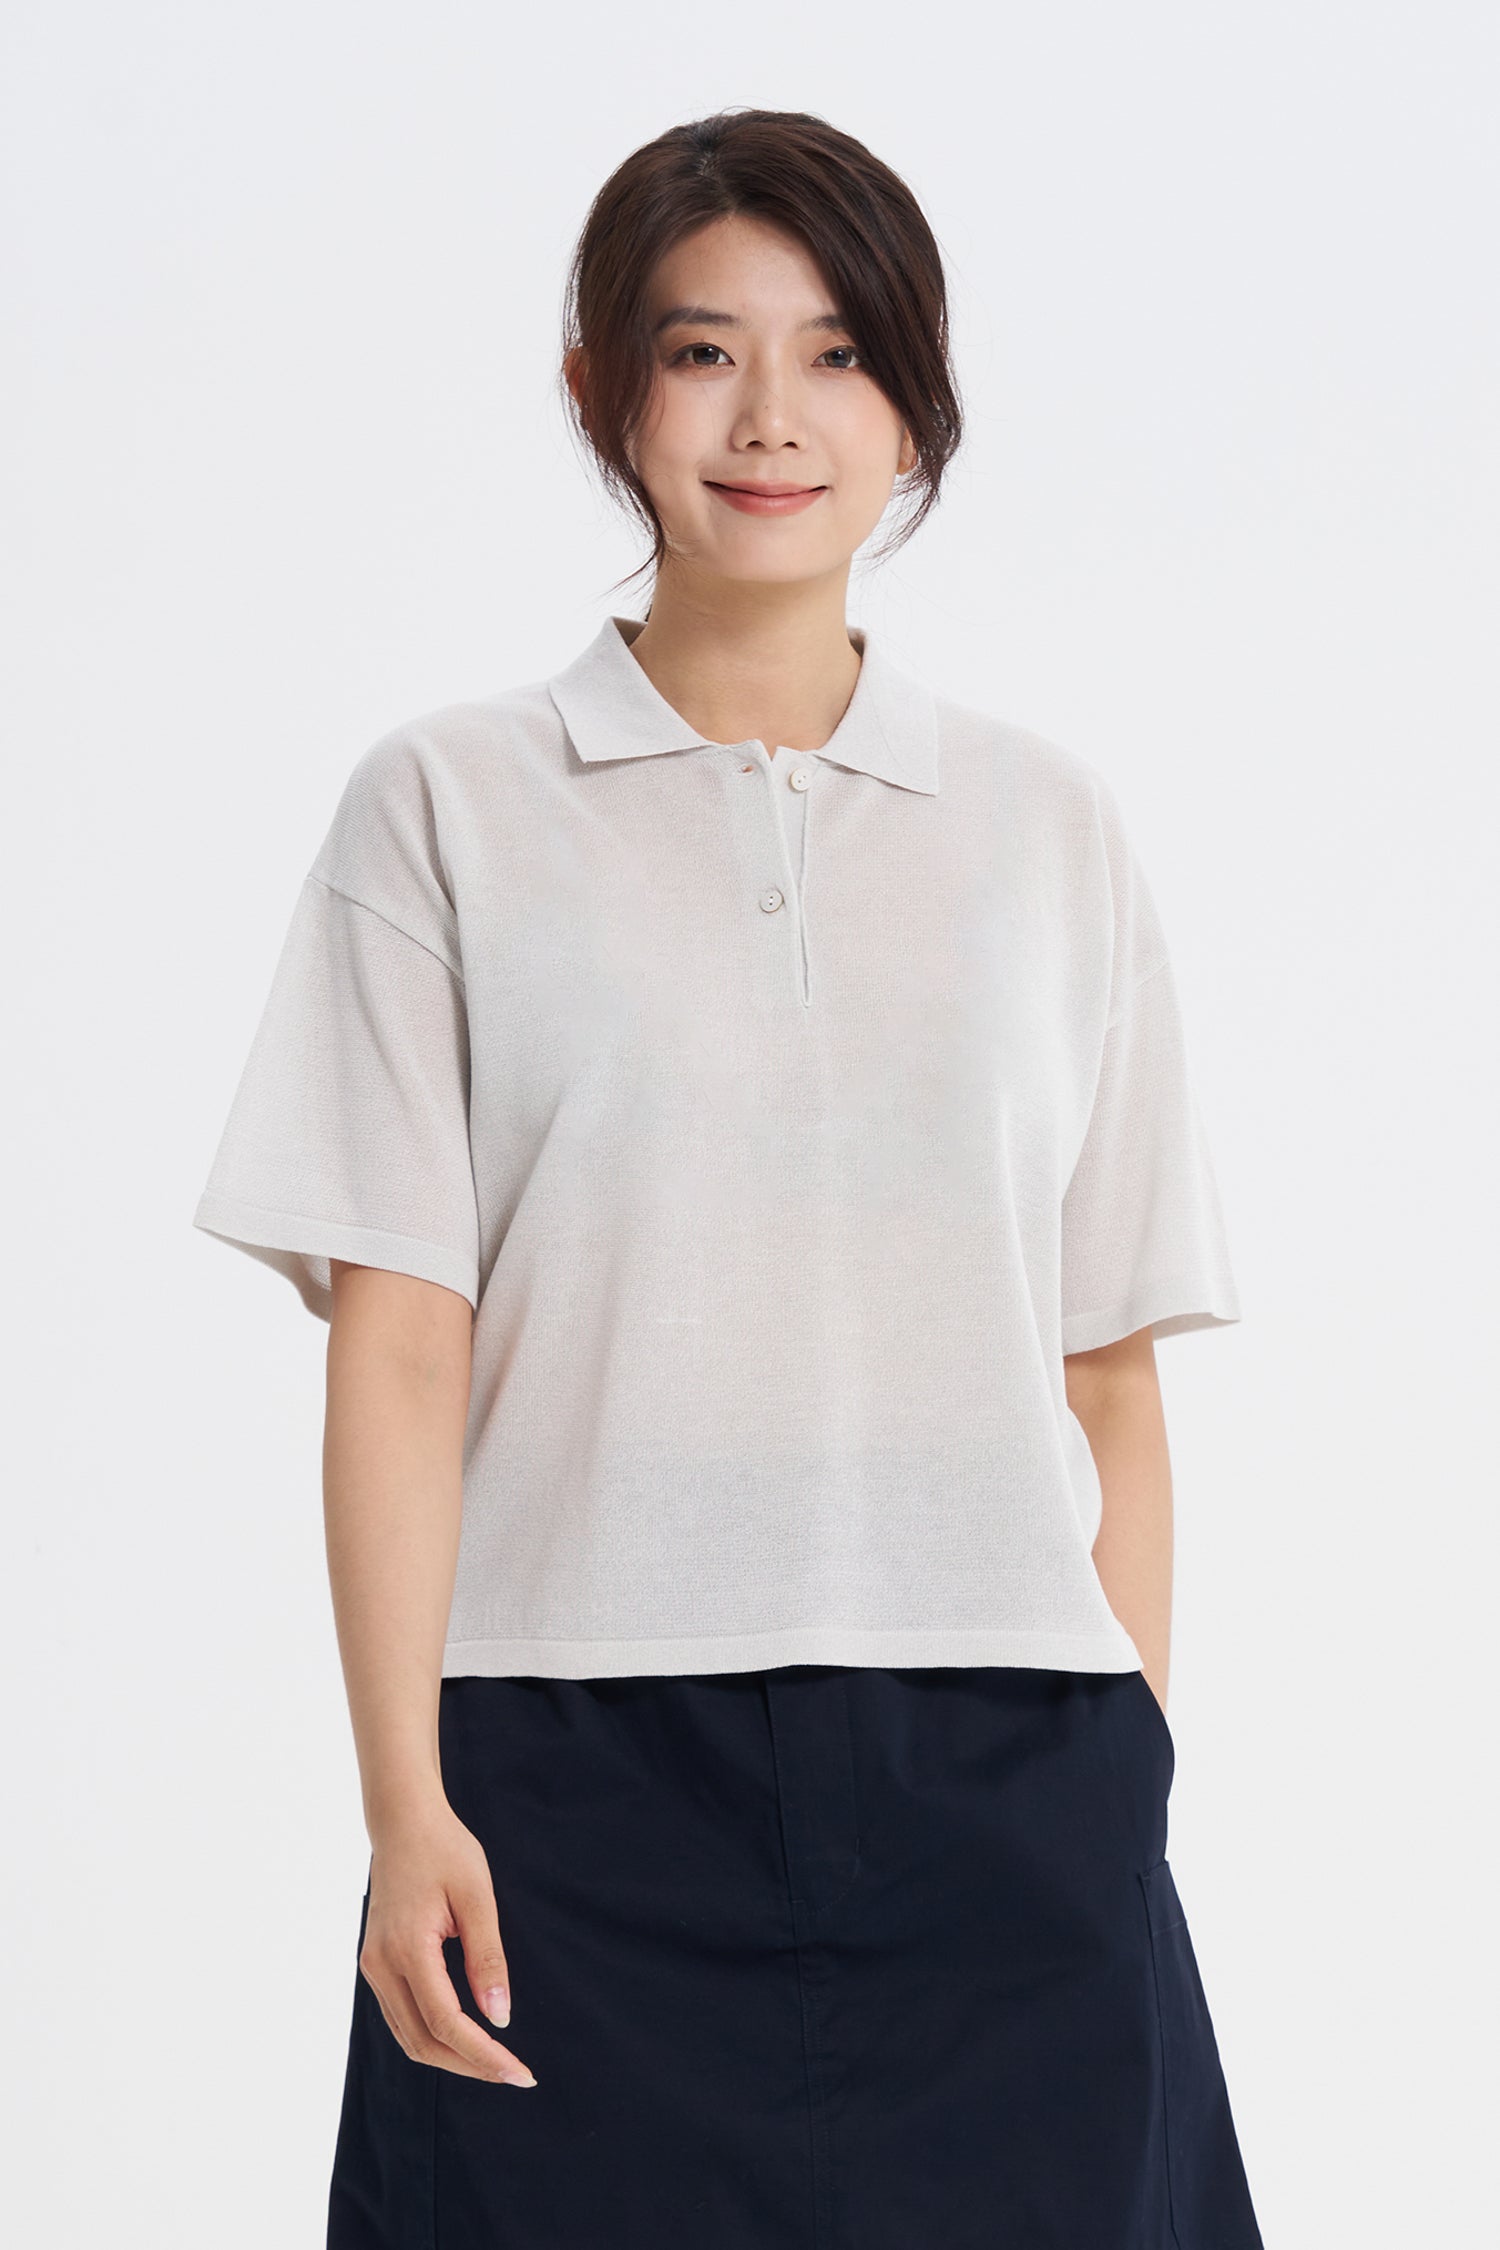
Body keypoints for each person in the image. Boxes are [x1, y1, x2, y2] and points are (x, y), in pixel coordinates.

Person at [192, 105, 1265, 2250]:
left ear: (916, 404)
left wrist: (1122, 1772)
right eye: (704, 352)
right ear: (598, 387)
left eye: (841, 353)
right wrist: (405, 1802)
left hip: (1012, 1783)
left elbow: (1112, 1367)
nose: (774, 416)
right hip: (567, 1781)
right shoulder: (447, 809)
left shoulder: (1048, 829)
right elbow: (398, 1347)